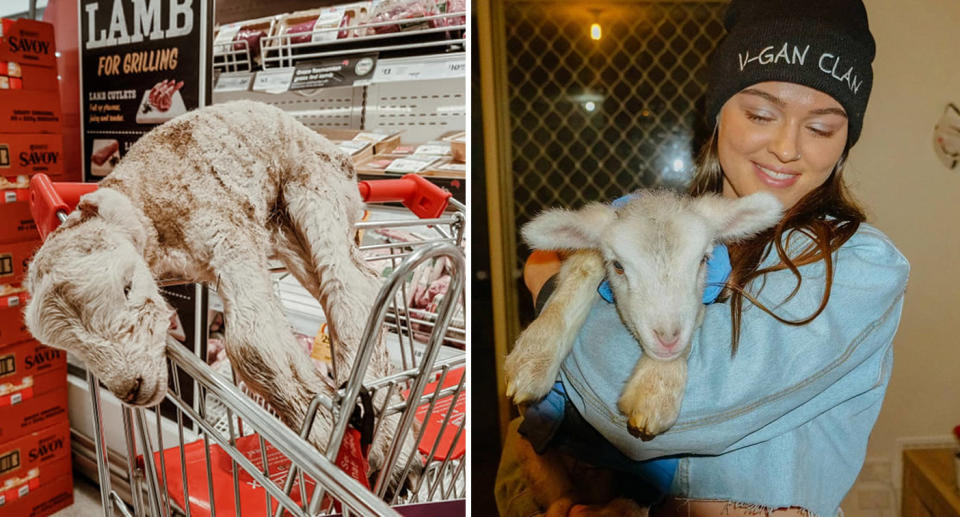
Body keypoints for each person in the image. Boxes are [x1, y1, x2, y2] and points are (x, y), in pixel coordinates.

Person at [495, 0, 910, 515]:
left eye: (821, 128)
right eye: (760, 114)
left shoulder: (859, 266)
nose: (786, 147)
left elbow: (669, 415)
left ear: (846, 141)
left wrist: (556, 286)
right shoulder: (675, 227)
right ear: (718, 113)